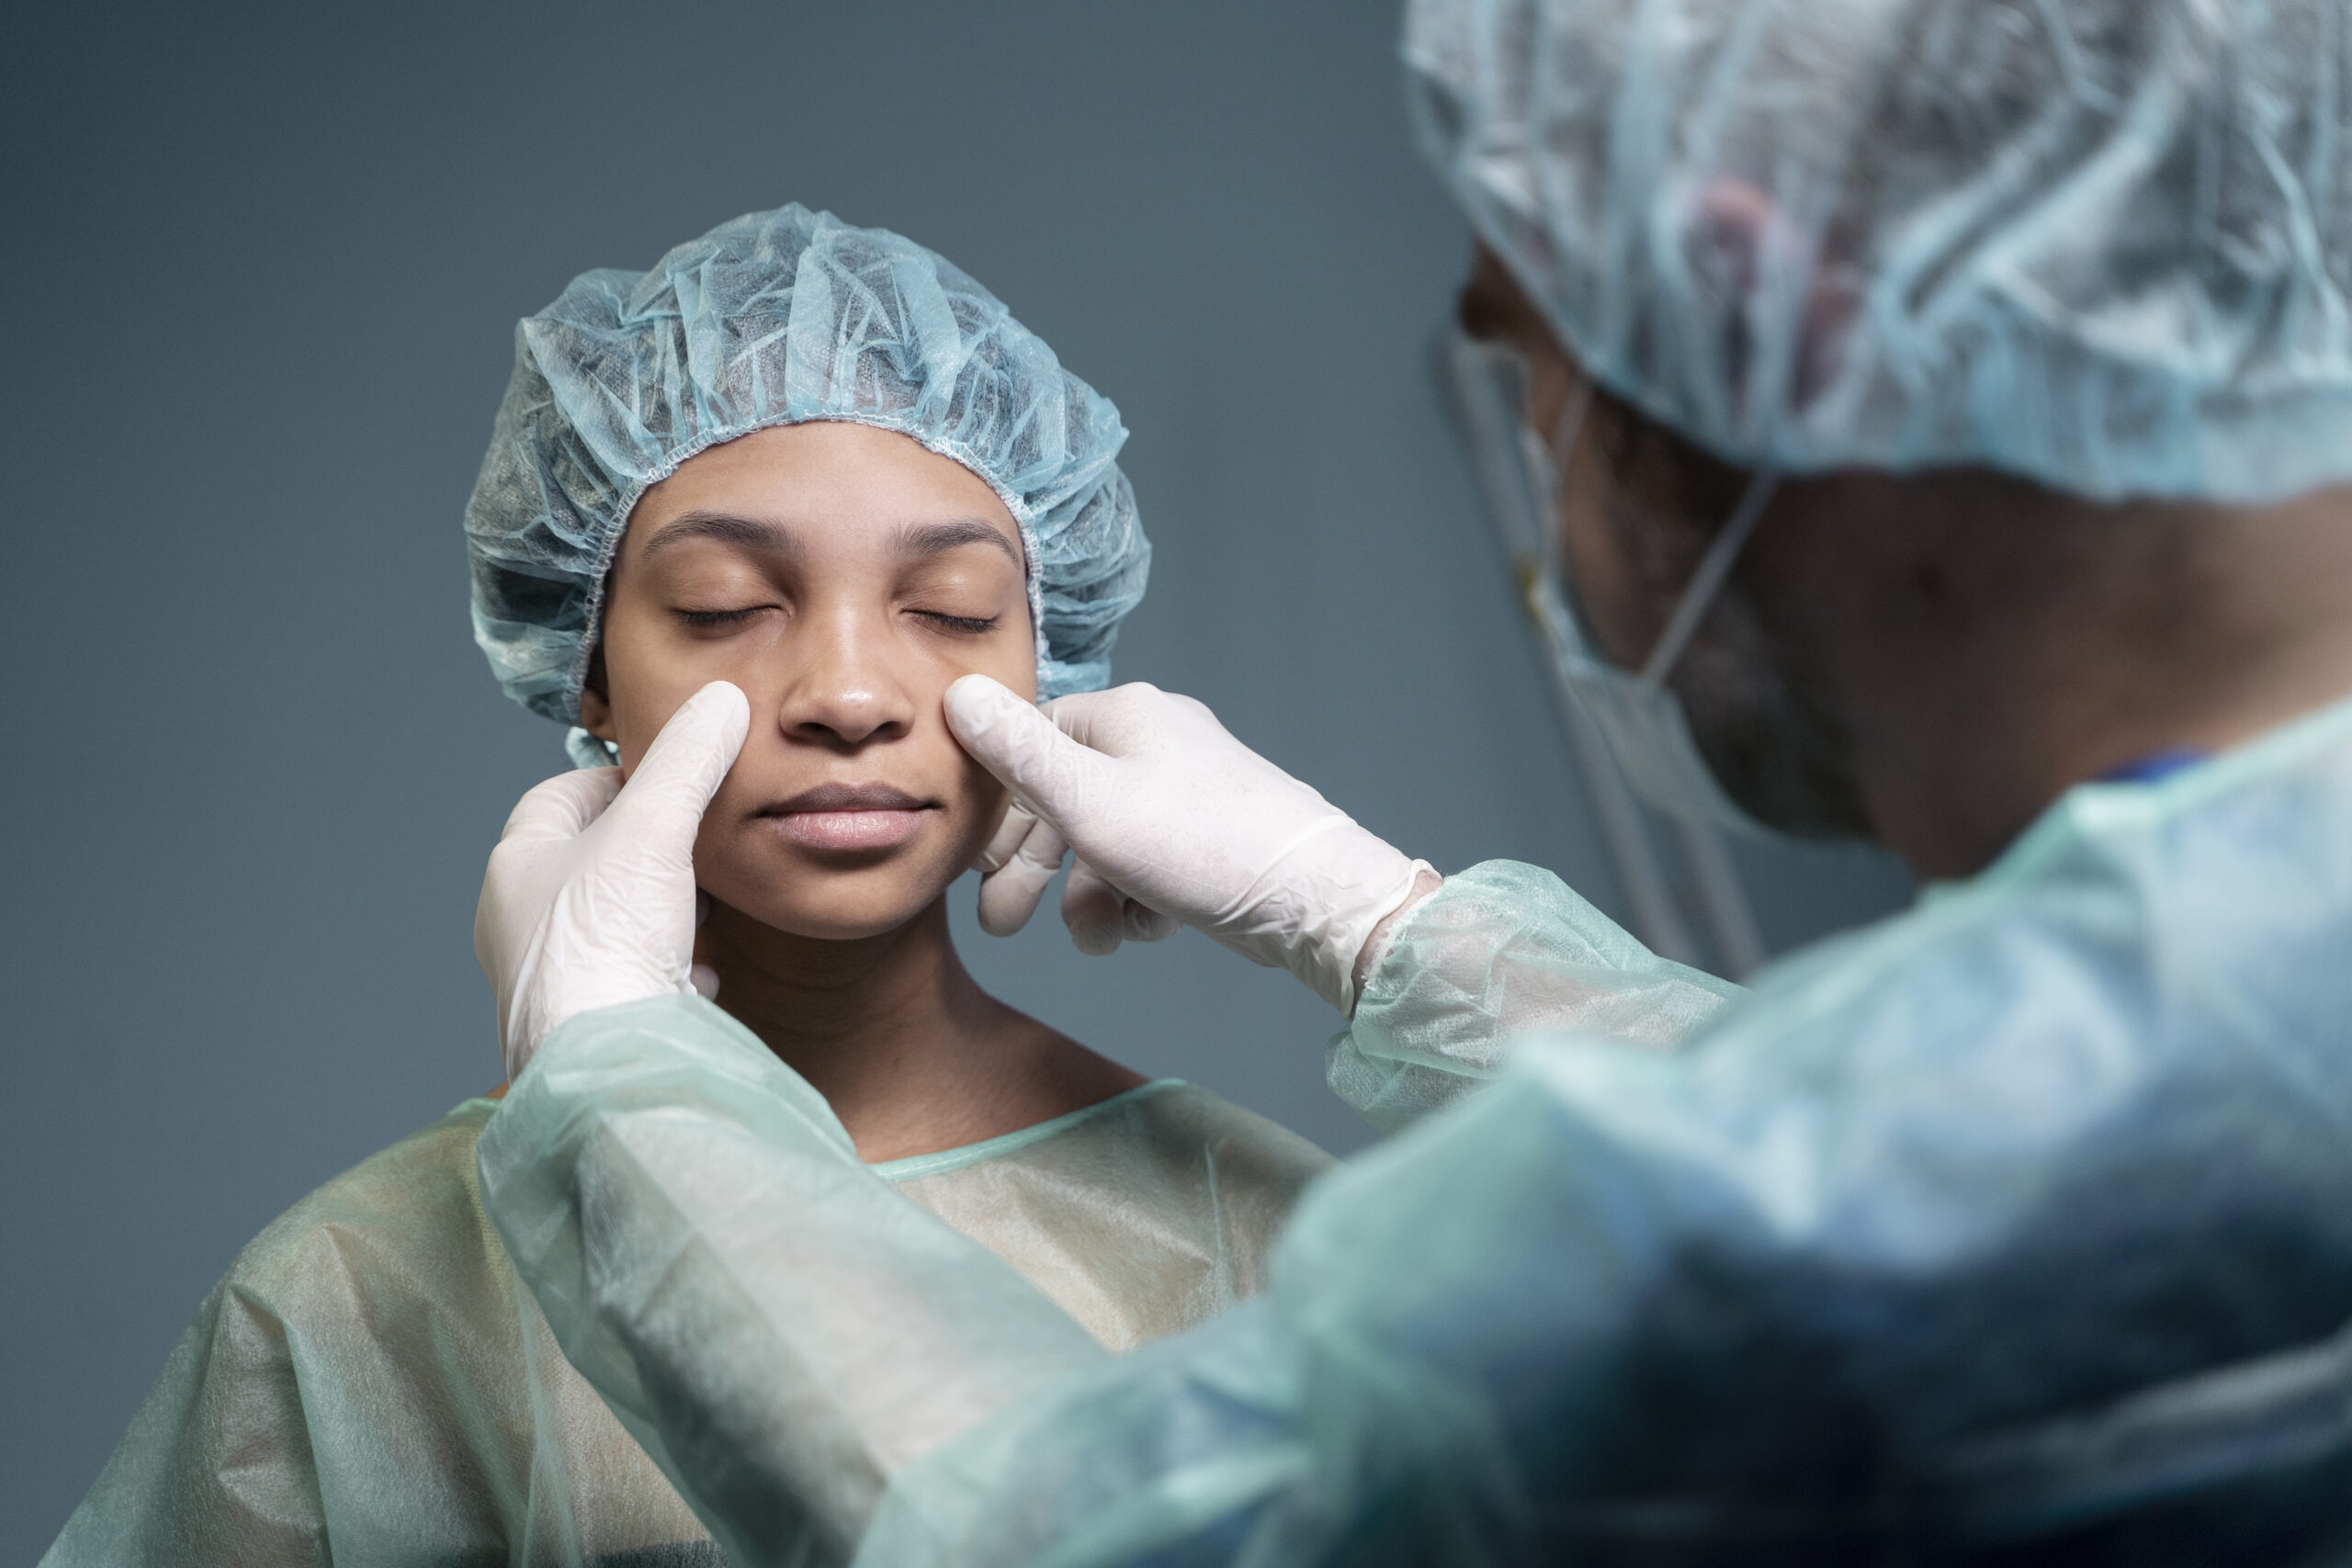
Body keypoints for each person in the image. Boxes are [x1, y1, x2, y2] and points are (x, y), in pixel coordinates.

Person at [470, 3, 2352, 1563]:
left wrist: (619, 1093)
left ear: (1755, 315)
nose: (853, 689)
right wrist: (1378, 921)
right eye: (725, 601)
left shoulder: (1798, 1216)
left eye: (1530, 380)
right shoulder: (2221, 993)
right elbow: (1944, 1152)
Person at [40, 206, 1331, 1568]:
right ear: (587, 669)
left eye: (952, 607)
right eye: (722, 604)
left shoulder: (1260, 1234)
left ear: (1045, 659)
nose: (846, 694)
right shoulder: (352, 1300)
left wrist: (1377, 916)